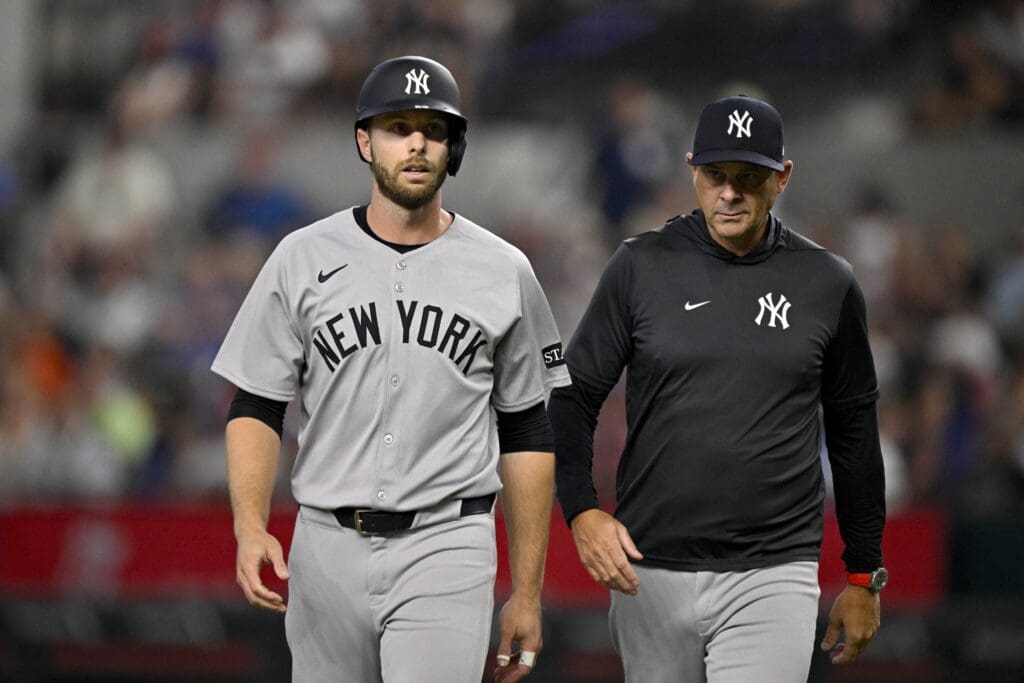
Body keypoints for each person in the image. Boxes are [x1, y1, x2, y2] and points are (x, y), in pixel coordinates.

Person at [211, 55, 570, 682]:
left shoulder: (504, 268)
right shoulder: (301, 256)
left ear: (454, 147)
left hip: (447, 541)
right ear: (363, 141)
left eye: (433, 130)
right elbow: (257, 404)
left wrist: (529, 591)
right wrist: (248, 525)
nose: (415, 144)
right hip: (325, 544)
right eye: (397, 127)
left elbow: (528, 432)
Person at [549, 94, 887, 682]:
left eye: (748, 177)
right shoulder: (640, 266)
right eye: (715, 175)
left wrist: (864, 574)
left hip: (772, 570)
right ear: (691, 171)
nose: (729, 192)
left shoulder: (827, 283)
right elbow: (572, 397)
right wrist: (582, 511)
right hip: (648, 567)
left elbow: (854, 432)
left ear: (782, 178)